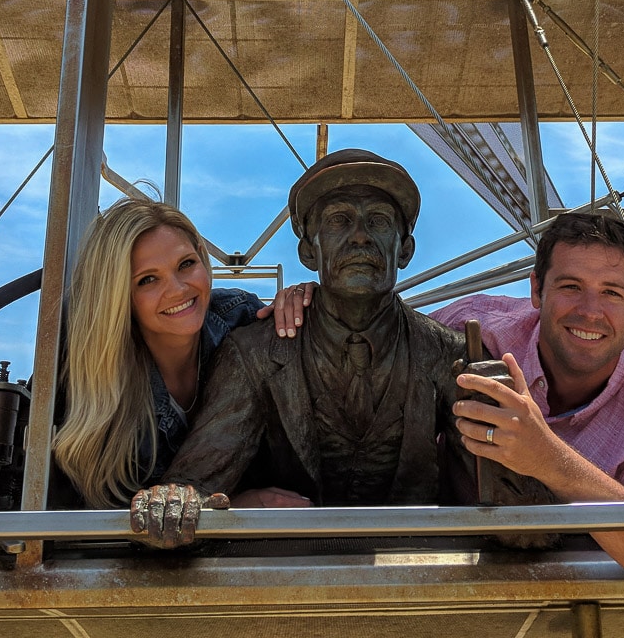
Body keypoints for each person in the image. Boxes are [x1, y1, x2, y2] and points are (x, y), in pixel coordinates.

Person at [279, 211, 624, 598]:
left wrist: (549, 460)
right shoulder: (475, 328)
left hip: (553, 598)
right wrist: (314, 309)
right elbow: (371, 348)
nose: (590, 311)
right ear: (535, 290)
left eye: (612, 293)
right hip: (419, 563)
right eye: (570, 286)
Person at [130, 149, 554, 547]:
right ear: (307, 251)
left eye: (378, 222)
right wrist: (172, 506)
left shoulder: (450, 356)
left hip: (414, 585)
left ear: (405, 250)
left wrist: (509, 439)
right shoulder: (254, 353)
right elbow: (192, 488)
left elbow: (526, 529)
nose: (359, 238)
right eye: (337, 221)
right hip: (287, 585)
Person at [51, 195, 306, 508]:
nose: (178, 289)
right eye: (148, 280)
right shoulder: (82, 382)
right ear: (118, 294)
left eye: (186, 264)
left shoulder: (243, 320)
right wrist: (231, 508)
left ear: (202, 256)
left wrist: (312, 305)